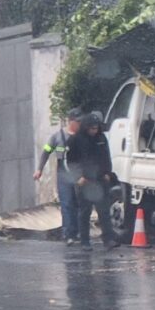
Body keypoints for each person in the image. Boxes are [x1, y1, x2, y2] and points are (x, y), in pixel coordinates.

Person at [66, 112, 121, 251]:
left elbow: (106, 157)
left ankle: (108, 240)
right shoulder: (75, 140)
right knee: (85, 212)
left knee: (104, 212)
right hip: (84, 182)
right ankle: (85, 241)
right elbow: (70, 161)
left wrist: (108, 173)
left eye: (96, 128)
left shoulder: (101, 138)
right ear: (86, 127)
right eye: (91, 128)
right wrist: (78, 177)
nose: (94, 131)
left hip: (100, 181)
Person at [34, 107, 82, 246]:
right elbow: (46, 152)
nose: (80, 124)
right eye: (77, 122)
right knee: (66, 204)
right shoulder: (58, 137)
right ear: (70, 121)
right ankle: (68, 235)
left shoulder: (82, 137)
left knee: (79, 204)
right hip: (63, 174)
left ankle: (79, 232)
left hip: (78, 174)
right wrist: (39, 169)